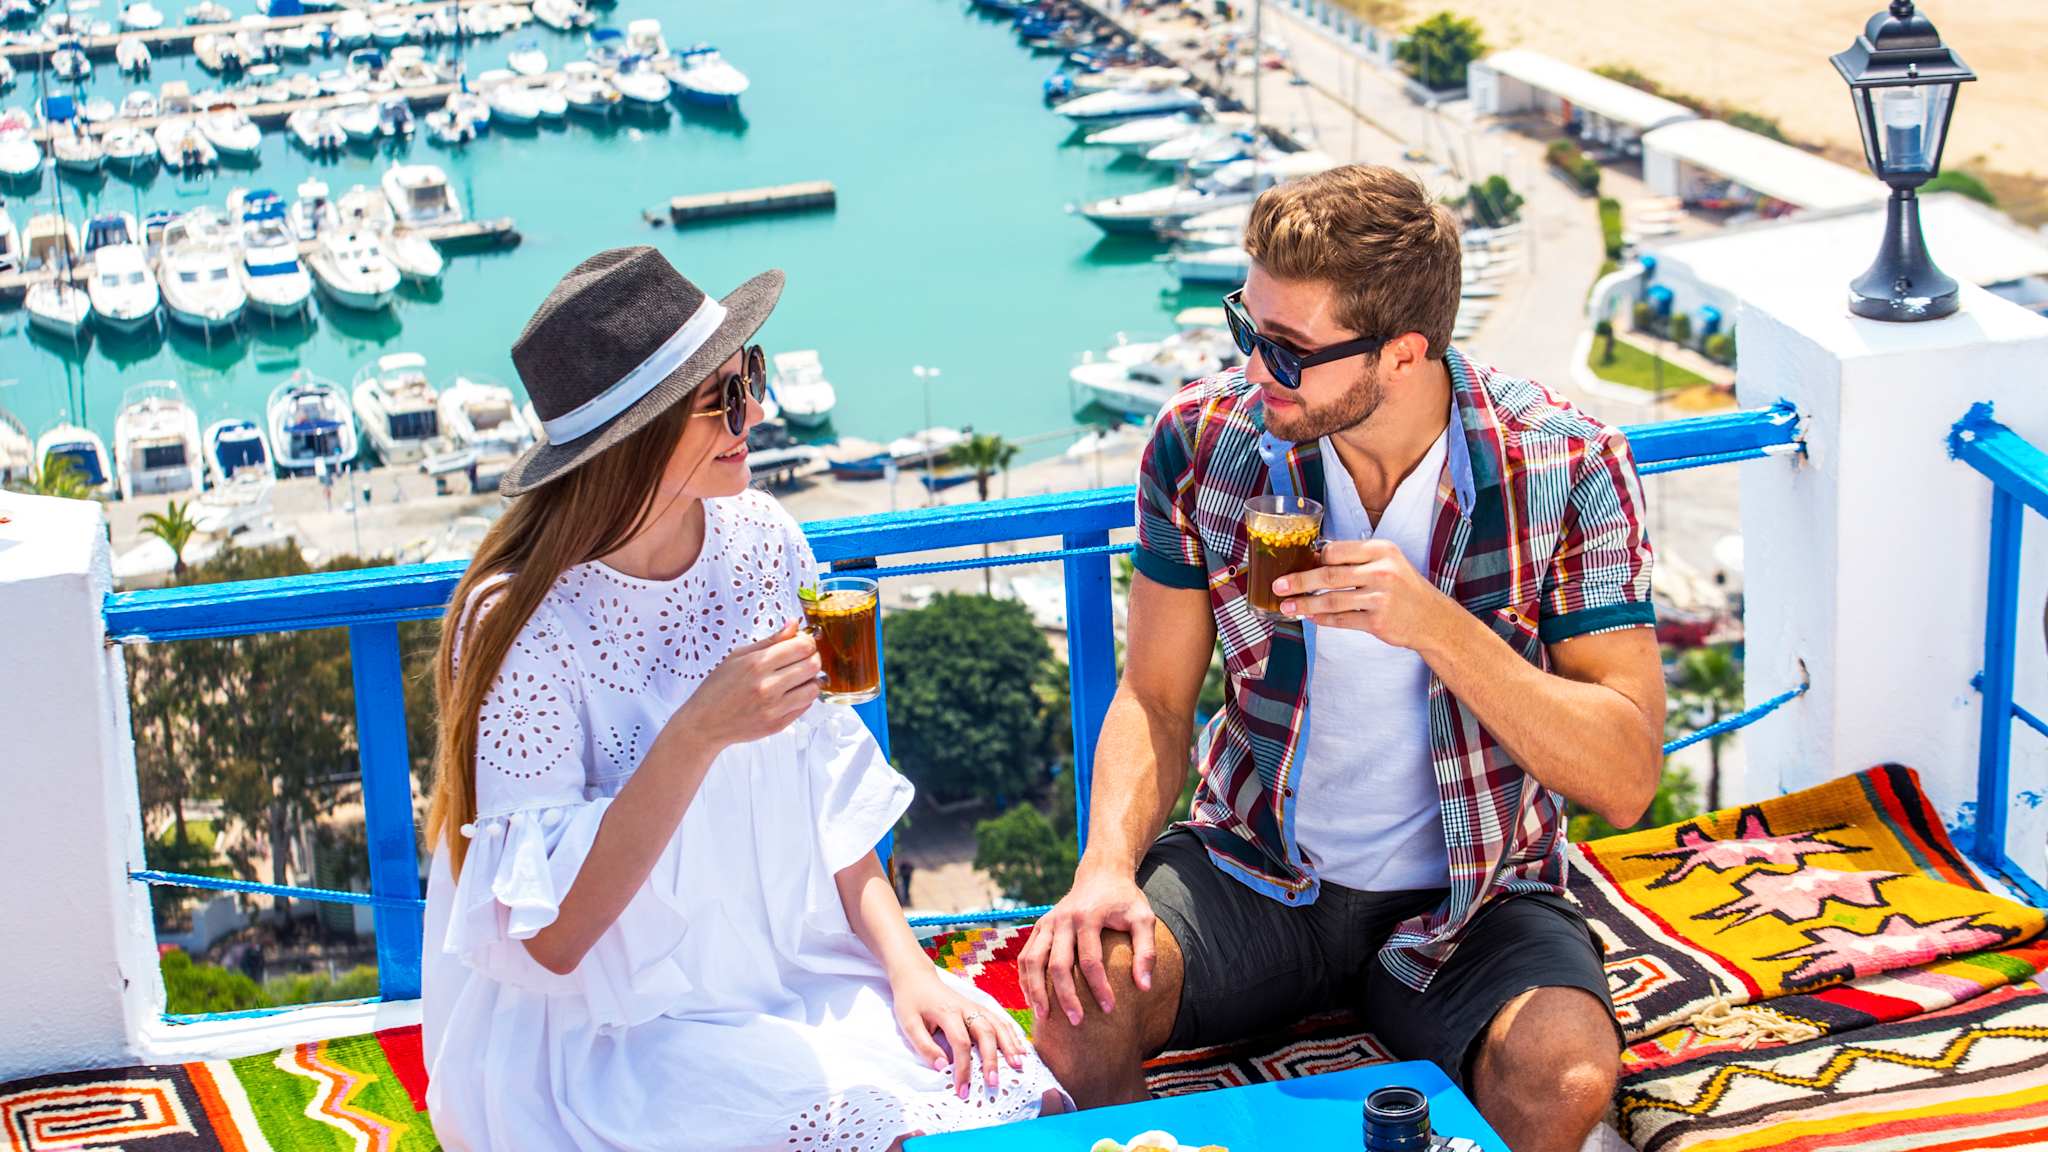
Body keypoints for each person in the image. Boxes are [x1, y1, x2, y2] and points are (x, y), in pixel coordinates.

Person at [1020, 166, 1664, 1152]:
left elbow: (1622, 778)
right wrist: (1105, 865)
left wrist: (1435, 625)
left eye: (1287, 351)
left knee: (1564, 1073)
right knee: (1079, 1000)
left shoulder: (1563, 465)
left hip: (1476, 895)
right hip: (1257, 868)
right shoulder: (1205, 444)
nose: (1254, 369)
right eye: (1248, 328)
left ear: (1402, 353)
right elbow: (1152, 696)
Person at [420, 247, 1068, 1151]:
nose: (755, 412)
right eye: (721, 396)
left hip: (796, 974)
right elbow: (554, 945)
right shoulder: (521, 623)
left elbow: (830, 793)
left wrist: (910, 970)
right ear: (631, 437)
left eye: (749, 376)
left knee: (1022, 1102)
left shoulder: (764, 538)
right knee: (880, 1133)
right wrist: (692, 738)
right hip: (620, 1035)